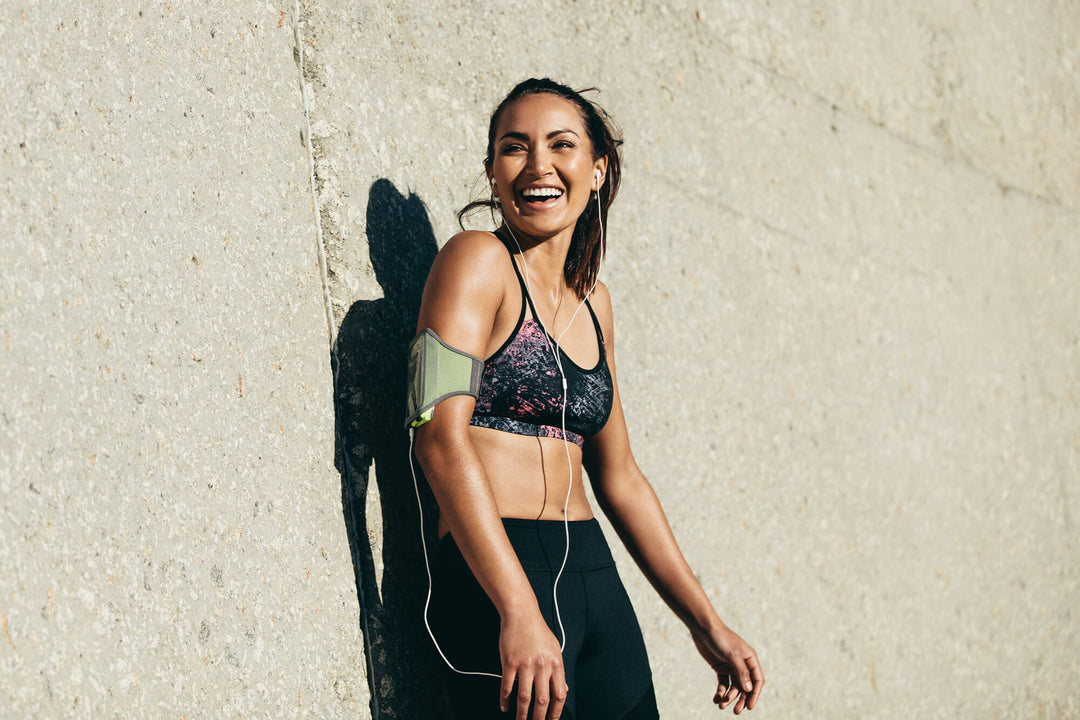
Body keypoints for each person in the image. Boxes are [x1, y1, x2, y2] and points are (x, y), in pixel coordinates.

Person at [409, 78, 763, 720]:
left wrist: (705, 623)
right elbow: (435, 429)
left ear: (596, 170)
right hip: (495, 572)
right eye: (514, 148)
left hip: (594, 576)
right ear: (492, 172)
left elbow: (621, 478)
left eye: (561, 145)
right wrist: (517, 608)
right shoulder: (475, 261)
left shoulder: (594, 302)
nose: (538, 166)